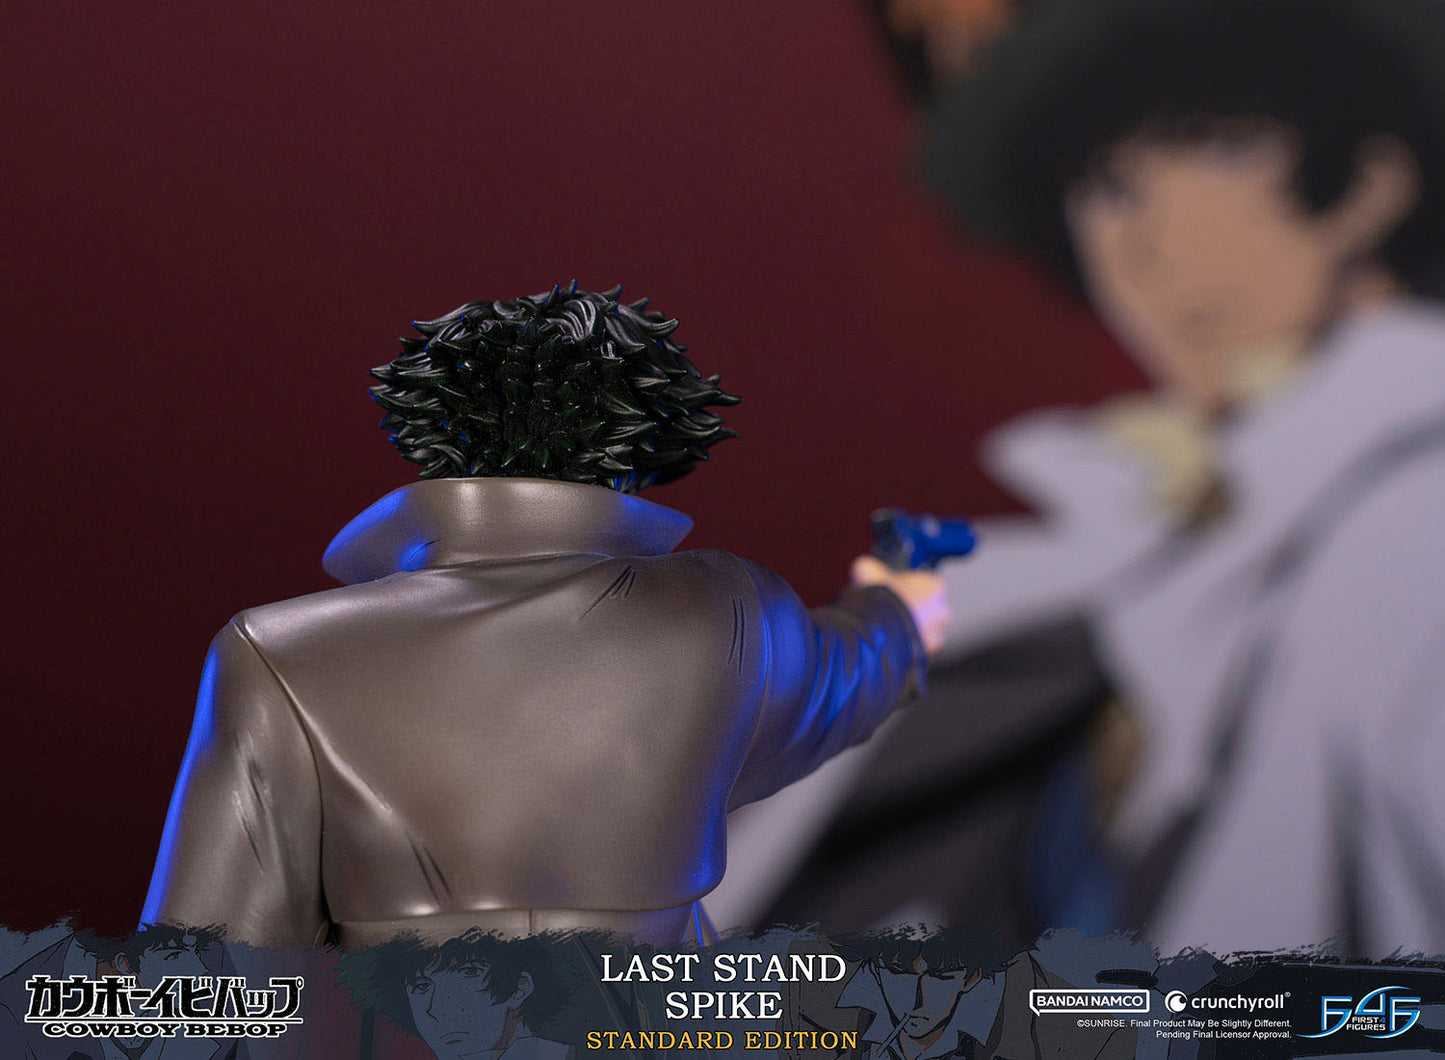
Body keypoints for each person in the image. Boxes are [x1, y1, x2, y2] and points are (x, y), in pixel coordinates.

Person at [141, 283, 948, 948]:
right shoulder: (722, 610)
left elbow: (197, 979)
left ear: (432, 433)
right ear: (643, 441)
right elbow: (855, 671)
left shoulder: (275, 650)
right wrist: (899, 603)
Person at [918, 0, 1445, 956]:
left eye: (1220, 150)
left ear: (1371, 184)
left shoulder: (1413, 509)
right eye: (1107, 187)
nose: (1150, 244)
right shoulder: (1097, 538)